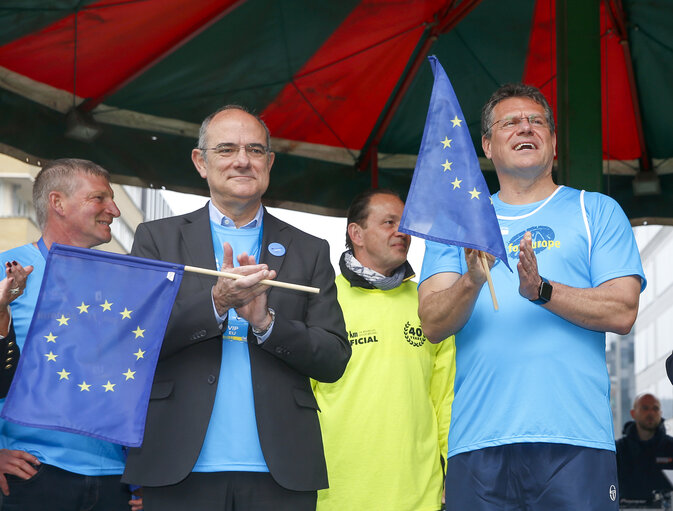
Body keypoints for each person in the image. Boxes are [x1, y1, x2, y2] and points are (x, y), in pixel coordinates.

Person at [417, 83, 645, 511]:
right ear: (487, 145)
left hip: (575, 440)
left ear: (554, 142)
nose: (526, 128)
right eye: (511, 122)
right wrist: (471, 280)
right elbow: (431, 323)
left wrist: (542, 291)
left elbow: (623, 310)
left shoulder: (595, 211)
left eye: (537, 121)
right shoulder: (459, 223)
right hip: (479, 441)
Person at [122, 105, 350, 511]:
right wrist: (216, 302)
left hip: (283, 468)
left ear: (269, 163)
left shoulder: (310, 249)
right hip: (177, 462)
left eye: (255, 150)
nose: (242, 160)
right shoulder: (157, 239)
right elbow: (135, 343)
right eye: (226, 149)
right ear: (201, 162)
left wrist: (265, 322)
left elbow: (333, 359)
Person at [0, 158, 133, 510]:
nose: (115, 211)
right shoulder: (5, 268)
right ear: (58, 203)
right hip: (30, 473)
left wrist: (144, 472)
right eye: (100, 199)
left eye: (114, 199)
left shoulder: (123, 283)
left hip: (113, 478)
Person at [312, 189, 454, 511]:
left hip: (420, 494)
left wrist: (454, 465)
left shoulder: (429, 305)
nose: (401, 232)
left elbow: (445, 399)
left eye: (405, 224)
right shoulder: (323, 301)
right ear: (356, 233)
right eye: (389, 222)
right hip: (337, 492)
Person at [616, 393, 673, 502]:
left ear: (660, 413)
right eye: (645, 408)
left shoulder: (671, 448)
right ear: (633, 413)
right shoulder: (619, 450)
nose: (650, 413)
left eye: (655, 408)